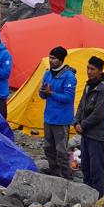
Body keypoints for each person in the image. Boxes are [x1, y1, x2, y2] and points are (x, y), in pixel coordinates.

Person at [74, 55, 104, 198]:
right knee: (85, 164)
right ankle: (87, 192)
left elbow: (99, 113)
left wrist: (83, 125)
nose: (89, 71)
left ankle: (97, 195)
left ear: (100, 70)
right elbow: (81, 105)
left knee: (96, 166)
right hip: (86, 133)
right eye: (88, 68)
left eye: (92, 69)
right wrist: (76, 121)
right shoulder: (89, 85)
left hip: (97, 133)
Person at [39, 46, 77, 179]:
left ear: (60, 60)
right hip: (49, 117)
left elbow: (68, 98)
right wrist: (43, 92)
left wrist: (51, 93)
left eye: (53, 58)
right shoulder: (47, 74)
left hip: (61, 119)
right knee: (48, 148)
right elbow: (42, 94)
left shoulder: (69, 77)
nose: (50, 60)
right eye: (50, 57)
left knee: (61, 151)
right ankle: (55, 174)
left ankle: (66, 177)